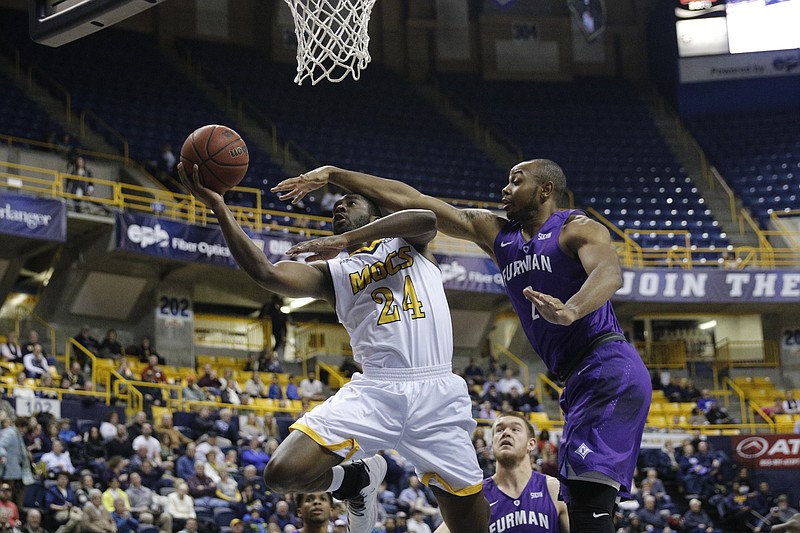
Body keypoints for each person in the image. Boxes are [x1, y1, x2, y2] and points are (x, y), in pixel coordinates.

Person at [273, 161, 652, 532]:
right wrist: (333, 175)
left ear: (546, 191)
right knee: (584, 499)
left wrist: (572, 310)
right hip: (576, 375)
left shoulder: (574, 228)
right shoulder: (497, 234)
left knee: (588, 501)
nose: (505, 189)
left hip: (607, 362)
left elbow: (608, 271)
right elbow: (411, 199)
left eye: (516, 181)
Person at [180, 162, 489, 533]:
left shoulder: (409, 243)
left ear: (375, 212)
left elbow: (425, 217)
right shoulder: (333, 274)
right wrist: (218, 207)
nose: (339, 208)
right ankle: (354, 482)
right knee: (282, 473)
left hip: (437, 391)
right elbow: (266, 272)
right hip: (377, 390)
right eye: (334, 209)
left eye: (350, 202)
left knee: (471, 526)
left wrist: (343, 225)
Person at [436, 412, 569, 533]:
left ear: (531, 444)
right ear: (492, 444)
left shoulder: (553, 488)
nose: (506, 433)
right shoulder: (478, 497)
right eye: (499, 430)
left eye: (515, 429)